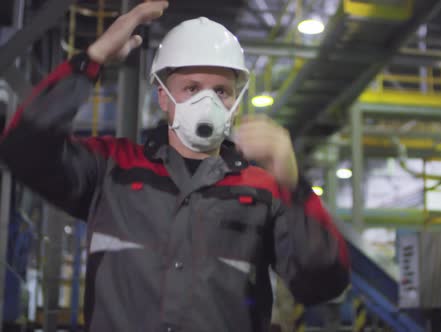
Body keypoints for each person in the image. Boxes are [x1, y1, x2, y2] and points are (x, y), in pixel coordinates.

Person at [0, 2, 350, 331]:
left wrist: (293, 181)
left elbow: (322, 285)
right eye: (192, 88)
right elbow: (22, 148)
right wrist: (93, 58)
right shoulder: (112, 169)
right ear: (163, 96)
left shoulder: (262, 190)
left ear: (235, 101)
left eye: (222, 91)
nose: (207, 102)